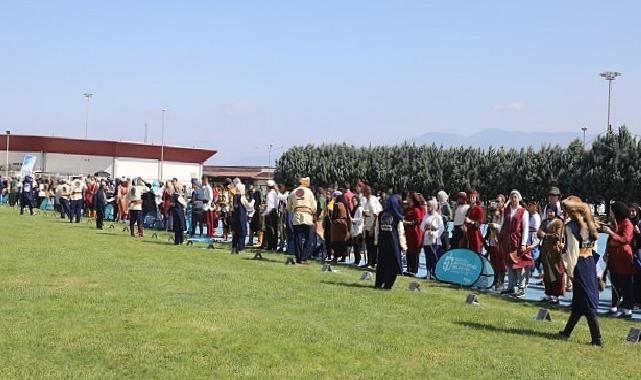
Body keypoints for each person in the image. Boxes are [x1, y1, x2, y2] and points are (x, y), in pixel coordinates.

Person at [558, 196, 603, 347]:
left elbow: (572, 252)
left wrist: (569, 272)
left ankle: (597, 338)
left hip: (579, 265)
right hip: (590, 262)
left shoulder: (571, 227)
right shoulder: (591, 224)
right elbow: (595, 248)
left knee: (588, 303)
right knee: (578, 302)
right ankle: (566, 332)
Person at [603, 201, 635, 318]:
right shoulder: (616, 222)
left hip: (624, 258)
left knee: (626, 285)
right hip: (614, 257)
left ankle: (628, 311)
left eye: (612, 211)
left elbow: (625, 239)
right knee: (614, 283)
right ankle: (614, 307)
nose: (611, 213)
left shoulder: (627, 224)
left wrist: (611, 233)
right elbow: (611, 240)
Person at [500, 190, 531, 298]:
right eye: (512, 196)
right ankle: (511, 287)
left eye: (515, 197)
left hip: (517, 241)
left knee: (519, 265)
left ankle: (521, 288)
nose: (513, 199)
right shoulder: (507, 210)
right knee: (509, 264)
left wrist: (523, 244)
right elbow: (503, 224)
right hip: (507, 241)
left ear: (519, 199)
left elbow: (525, 229)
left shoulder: (524, 212)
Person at [375, 194, 408, 289]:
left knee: (381, 264)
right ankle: (388, 285)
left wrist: (376, 241)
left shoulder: (381, 214)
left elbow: (377, 229)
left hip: (382, 243)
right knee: (392, 265)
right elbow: (400, 232)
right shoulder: (397, 217)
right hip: (393, 244)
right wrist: (404, 246)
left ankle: (379, 283)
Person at [537, 204, 566, 303]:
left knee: (556, 273)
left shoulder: (559, 222)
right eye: (548, 211)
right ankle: (548, 294)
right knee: (547, 274)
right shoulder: (544, 221)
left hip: (555, 251)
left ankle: (556, 296)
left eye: (552, 211)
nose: (550, 213)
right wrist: (540, 233)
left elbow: (558, 236)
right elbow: (539, 232)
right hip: (545, 251)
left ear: (555, 212)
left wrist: (545, 236)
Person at [287, 177, 317, 263]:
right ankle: (304, 257)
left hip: (296, 216)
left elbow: (288, 207)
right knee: (309, 238)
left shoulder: (292, 193)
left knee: (297, 238)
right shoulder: (309, 192)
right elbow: (314, 207)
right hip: (307, 216)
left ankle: (299, 258)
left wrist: (295, 209)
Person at [421, 199, 444, 280]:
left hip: (435, 241)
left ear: (434, 207)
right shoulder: (425, 216)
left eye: (429, 206)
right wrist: (425, 227)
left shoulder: (438, 217)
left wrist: (434, 234)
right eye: (427, 206)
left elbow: (441, 229)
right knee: (428, 257)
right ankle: (428, 273)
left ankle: (435, 274)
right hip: (426, 240)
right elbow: (422, 226)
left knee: (434, 257)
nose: (428, 208)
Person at [484, 202, 504, 290]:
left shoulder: (502, 218)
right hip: (492, 242)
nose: (492, 213)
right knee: (494, 263)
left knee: (500, 263)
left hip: (499, 243)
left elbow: (503, 228)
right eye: (491, 211)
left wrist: (496, 226)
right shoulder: (492, 218)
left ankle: (500, 282)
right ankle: (495, 280)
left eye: (494, 211)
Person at [403, 192, 423, 276]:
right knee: (408, 251)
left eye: (408, 197)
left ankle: (414, 270)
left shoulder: (416, 209)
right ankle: (408, 269)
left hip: (415, 234)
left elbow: (417, 221)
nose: (407, 198)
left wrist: (406, 222)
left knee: (414, 252)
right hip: (407, 234)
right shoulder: (407, 209)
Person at [231, 183, 254, 254]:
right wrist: (252, 199)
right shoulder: (242, 197)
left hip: (235, 217)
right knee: (242, 232)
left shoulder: (235, 196)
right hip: (241, 217)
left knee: (236, 233)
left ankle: (234, 248)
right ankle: (241, 248)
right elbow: (249, 206)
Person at [362, 185, 381, 268]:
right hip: (367, 224)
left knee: (372, 245)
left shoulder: (372, 201)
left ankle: (372, 262)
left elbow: (376, 215)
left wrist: (373, 228)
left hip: (372, 226)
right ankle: (370, 262)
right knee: (369, 245)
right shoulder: (367, 201)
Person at [331, 192, 351, 262]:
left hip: (338, 225)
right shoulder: (345, 205)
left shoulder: (337, 204)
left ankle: (335, 257)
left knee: (336, 242)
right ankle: (343, 257)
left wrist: (333, 221)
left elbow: (334, 215)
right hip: (344, 223)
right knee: (343, 241)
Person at [629, 203, 641, 308]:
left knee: (638, 278)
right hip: (628, 254)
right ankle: (631, 300)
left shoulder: (640, 223)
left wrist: (638, 233)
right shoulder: (627, 223)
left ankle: (638, 301)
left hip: (638, 254)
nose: (632, 213)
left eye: (634, 211)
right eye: (630, 211)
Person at [262, 180, 280, 251]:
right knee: (274, 230)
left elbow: (269, 206)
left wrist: (264, 214)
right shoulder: (275, 194)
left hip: (270, 213)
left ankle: (270, 246)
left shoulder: (269, 195)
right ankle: (274, 246)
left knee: (269, 230)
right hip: (274, 212)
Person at [527, 201, 542, 279]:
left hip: (534, 236)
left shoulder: (536, 216)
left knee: (535, 256)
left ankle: (541, 271)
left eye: (530, 206)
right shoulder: (531, 216)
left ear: (535, 207)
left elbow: (536, 228)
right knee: (530, 255)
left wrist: (527, 227)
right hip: (530, 236)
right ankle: (531, 270)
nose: (529, 207)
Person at [350, 195, 364, 266]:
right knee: (355, 246)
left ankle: (358, 260)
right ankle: (356, 260)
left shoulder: (359, 209)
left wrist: (353, 220)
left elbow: (361, 219)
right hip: (354, 229)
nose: (353, 202)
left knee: (357, 245)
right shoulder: (354, 209)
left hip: (359, 230)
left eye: (355, 200)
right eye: (352, 200)